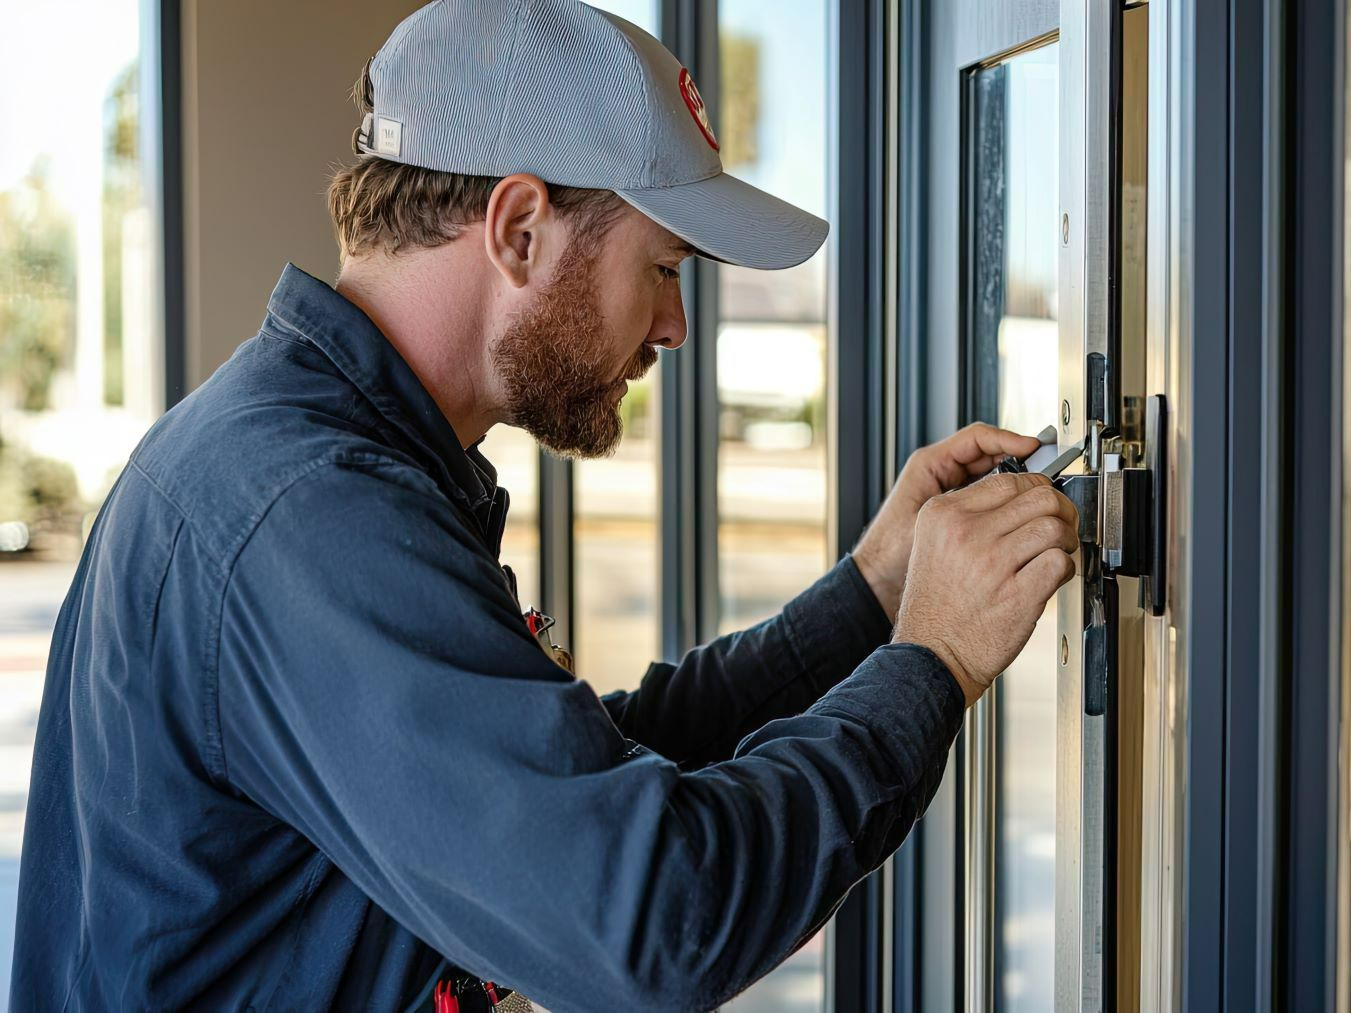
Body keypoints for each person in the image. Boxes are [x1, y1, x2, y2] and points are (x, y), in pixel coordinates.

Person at [10, 2, 1079, 1010]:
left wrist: (875, 594)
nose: (674, 325)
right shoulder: (313, 513)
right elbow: (655, 918)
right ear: (519, 228)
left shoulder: (319, 458)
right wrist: (931, 660)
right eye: (661, 268)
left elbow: (566, 787)